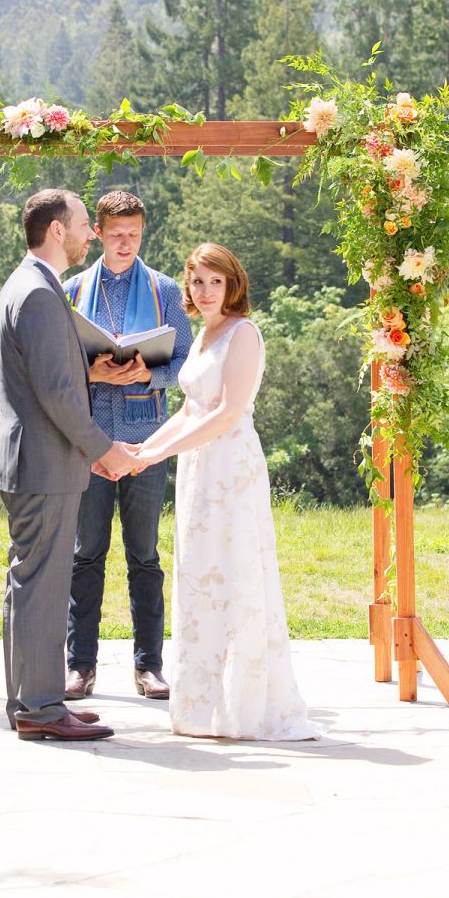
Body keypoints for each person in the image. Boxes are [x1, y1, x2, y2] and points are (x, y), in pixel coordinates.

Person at [134, 243, 319, 740]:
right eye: (198, 282)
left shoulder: (244, 334)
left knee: (235, 576)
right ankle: (203, 709)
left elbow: (226, 413)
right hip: (198, 468)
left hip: (231, 470)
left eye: (216, 281)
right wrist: (140, 450)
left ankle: (247, 707)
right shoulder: (201, 336)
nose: (206, 290)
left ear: (232, 283)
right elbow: (191, 410)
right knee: (200, 576)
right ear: (188, 286)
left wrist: (154, 457)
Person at [0, 188, 138, 742]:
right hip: (44, 464)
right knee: (42, 588)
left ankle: (34, 701)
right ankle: (40, 708)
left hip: (35, 461)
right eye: (82, 223)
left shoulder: (28, 287)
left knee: (31, 586)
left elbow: (48, 378)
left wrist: (91, 374)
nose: (90, 233)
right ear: (57, 230)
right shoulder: (38, 294)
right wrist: (104, 450)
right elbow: (55, 394)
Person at [62, 191, 193, 701]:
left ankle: (149, 668)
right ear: (96, 231)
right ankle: (80, 668)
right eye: (115, 235)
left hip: (146, 444)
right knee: (85, 555)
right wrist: (88, 371)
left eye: (134, 236)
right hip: (88, 442)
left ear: (143, 233)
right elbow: (57, 367)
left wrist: (151, 374)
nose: (124, 244)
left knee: (145, 556)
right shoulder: (71, 292)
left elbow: (186, 363)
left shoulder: (164, 291)